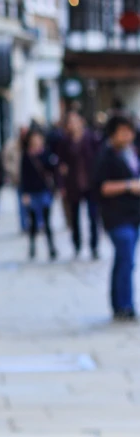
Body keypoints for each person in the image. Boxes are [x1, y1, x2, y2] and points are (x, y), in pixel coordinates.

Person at [93, 114, 140, 321]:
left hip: (134, 215)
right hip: (116, 216)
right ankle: (125, 306)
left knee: (124, 260)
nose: (127, 135)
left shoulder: (132, 152)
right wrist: (129, 185)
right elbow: (101, 187)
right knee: (126, 259)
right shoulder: (105, 155)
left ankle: (118, 303)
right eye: (123, 132)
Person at [57, 111, 100, 259]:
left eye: (75, 121)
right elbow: (61, 165)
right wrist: (61, 185)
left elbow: (98, 159)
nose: (73, 124)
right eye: (70, 122)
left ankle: (94, 246)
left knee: (93, 216)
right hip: (73, 184)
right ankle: (77, 245)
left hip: (90, 183)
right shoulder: (65, 141)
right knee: (74, 217)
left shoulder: (91, 138)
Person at [20, 130, 58, 261]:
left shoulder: (46, 153)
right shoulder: (27, 155)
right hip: (32, 192)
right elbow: (24, 176)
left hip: (44, 190)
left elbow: (53, 169)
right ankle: (32, 246)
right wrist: (25, 193)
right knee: (33, 222)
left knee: (47, 222)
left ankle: (51, 248)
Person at [3, 125, 29, 233]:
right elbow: (6, 160)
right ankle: (24, 225)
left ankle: (36, 223)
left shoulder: (32, 144)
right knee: (21, 201)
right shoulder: (11, 145)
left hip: (31, 177)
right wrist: (12, 171)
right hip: (19, 177)